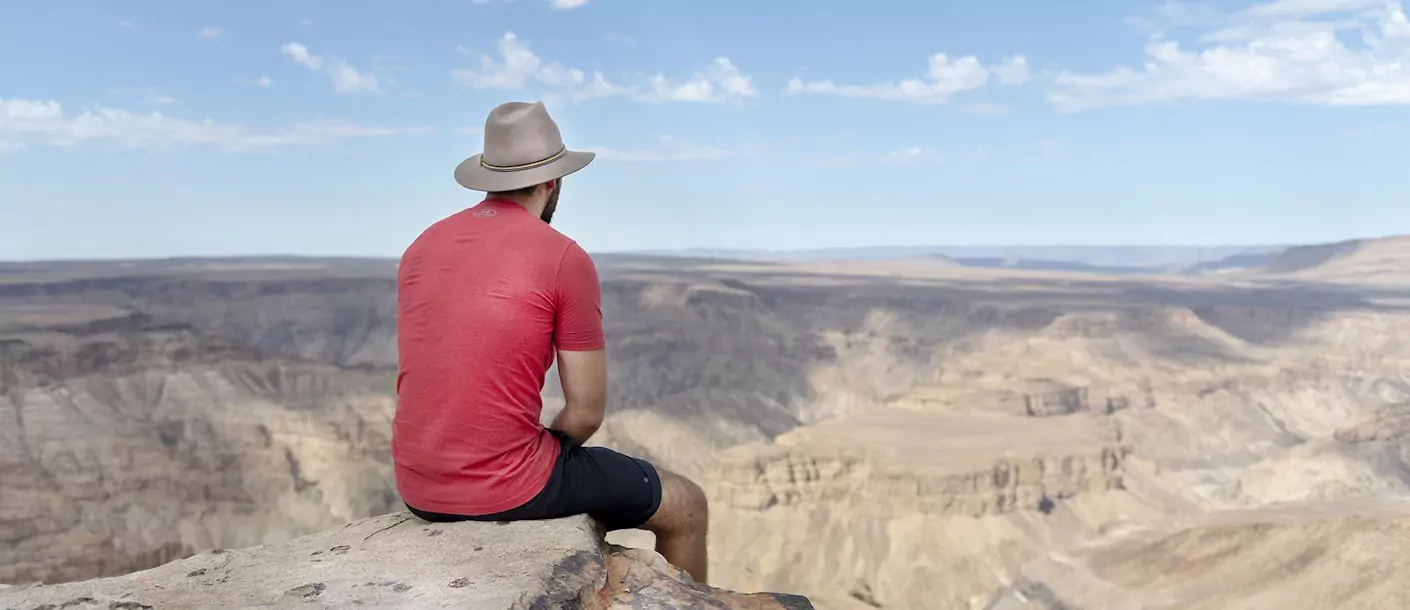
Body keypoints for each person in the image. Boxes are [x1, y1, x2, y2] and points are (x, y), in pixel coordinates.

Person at [391, 101, 709, 583]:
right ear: (553, 183)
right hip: (508, 490)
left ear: (488, 177)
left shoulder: (421, 245)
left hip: (417, 487)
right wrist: (548, 456)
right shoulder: (563, 257)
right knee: (687, 504)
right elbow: (585, 412)